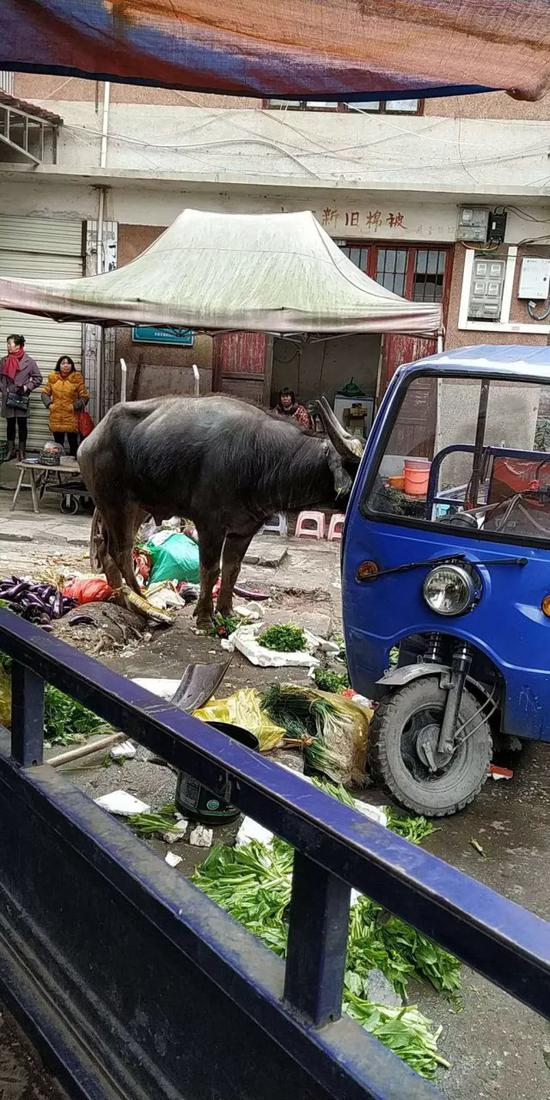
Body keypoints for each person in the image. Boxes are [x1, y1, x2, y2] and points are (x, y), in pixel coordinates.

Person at [0, 334, 43, 461]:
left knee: (22, 425)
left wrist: (25, 387)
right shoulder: (3, 360)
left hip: (21, 397)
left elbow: (38, 378)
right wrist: (4, 389)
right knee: (10, 425)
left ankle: (22, 451)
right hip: (8, 397)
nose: (8, 346)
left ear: (18, 346)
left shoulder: (29, 361)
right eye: (7, 343)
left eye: (10, 343)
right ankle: (11, 450)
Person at [42, 355, 89, 457]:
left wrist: (74, 406)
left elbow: (84, 397)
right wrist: (49, 405)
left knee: (73, 443)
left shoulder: (77, 378)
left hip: (71, 417)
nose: (66, 365)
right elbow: (45, 393)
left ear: (72, 365)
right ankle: (59, 463)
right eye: (63, 363)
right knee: (58, 444)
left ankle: (73, 464)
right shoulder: (53, 378)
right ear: (59, 365)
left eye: (68, 363)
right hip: (56, 417)